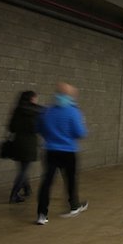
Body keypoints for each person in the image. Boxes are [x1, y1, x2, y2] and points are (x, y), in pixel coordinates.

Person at [36, 83, 88, 225]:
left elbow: (39, 128)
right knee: (70, 179)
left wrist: (51, 137)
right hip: (68, 151)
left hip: (50, 150)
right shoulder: (73, 112)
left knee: (47, 182)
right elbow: (80, 132)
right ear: (70, 96)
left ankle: (42, 214)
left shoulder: (47, 111)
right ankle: (73, 206)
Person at [7, 91, 41, 203]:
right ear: (32, 99)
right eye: (36, 98)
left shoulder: (17, 110)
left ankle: (27, 189)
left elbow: (11, 127)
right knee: (23, 170)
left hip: (17, 142)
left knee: (22, 168)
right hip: (29, 143)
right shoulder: (37, 111)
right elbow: (37, 128)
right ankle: (14, 194)